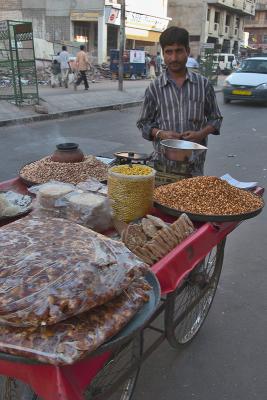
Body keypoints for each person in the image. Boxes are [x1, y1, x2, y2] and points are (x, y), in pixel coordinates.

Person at [137, 26, 222, 176]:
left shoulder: (203, 85)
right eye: (169, 52)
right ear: (163, 54)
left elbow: (216, 119)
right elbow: (143, 124)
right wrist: (161, 133)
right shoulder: (155, 87)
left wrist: (201, 134)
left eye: (179, 51)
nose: (174, 58)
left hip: (194, 167)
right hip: (162, 167)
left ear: (187, 51)